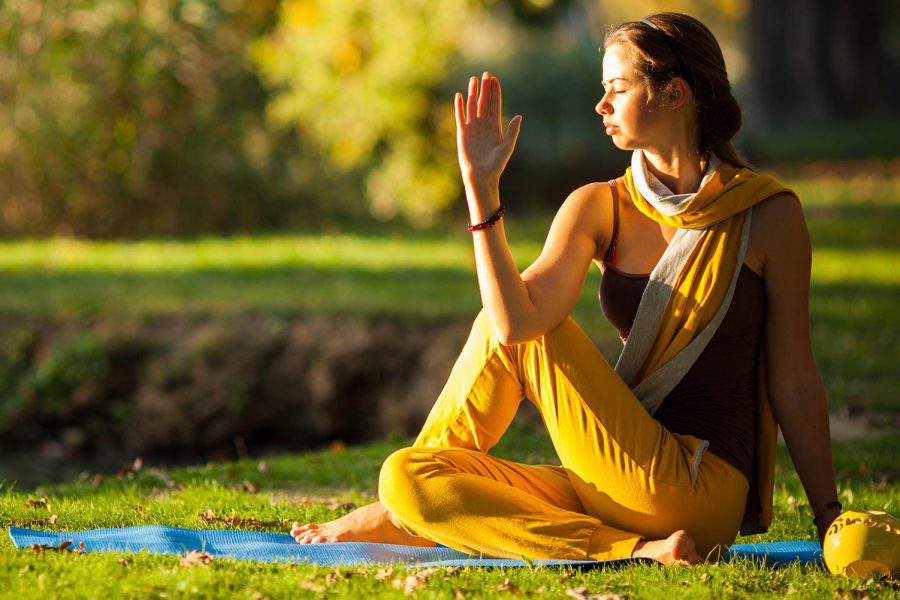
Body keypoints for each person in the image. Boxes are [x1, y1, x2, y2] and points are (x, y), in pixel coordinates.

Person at [290, 12, 841, 565]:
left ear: (673, 94)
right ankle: (640, 549)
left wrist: (829, 517)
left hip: (703, 488)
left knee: (516, 324)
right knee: (407, 475)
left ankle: (403, 520)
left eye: (617, 90)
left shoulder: (767, 216)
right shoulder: (601, 205)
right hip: (621, 471)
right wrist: (481, 193)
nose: (601, 106)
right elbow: (513, 324)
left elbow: (793, 379)